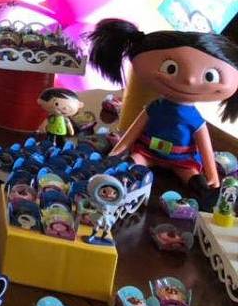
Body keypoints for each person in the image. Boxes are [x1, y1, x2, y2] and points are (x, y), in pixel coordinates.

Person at [89, 19, 238, 200]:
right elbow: (132, 133)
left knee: (195, 180)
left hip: (182, 160)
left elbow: (205, 147)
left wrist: (212, 175)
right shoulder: (155, 107)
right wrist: (117, 152)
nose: (190, 80)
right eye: (171, 68)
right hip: (147, 152)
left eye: (209, 76)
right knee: (130, 164)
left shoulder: (194, 118)